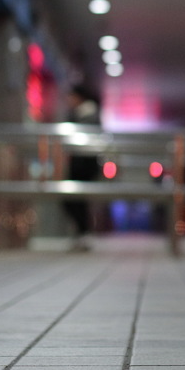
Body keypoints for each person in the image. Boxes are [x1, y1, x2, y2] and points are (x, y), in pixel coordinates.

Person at [62, 86, 100, 250]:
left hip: (84, 163)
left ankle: (84, 235)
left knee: (75, 199)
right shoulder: (80, 113)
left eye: (71, 96)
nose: (69, 100)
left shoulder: (88, 114)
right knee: (74, 199)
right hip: (79, 163)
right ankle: (82, 234)